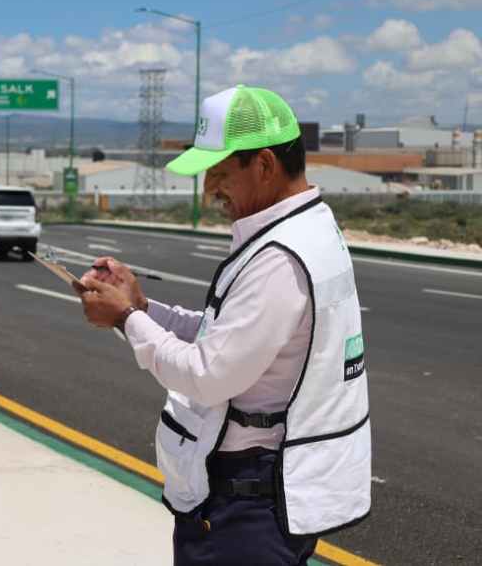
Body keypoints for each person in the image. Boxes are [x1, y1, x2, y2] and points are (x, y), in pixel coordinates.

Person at [78, 85, 370, 565]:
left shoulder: (279, 256)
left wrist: (126, 319)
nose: (210, 189)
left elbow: (208, 375)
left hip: (246, 510)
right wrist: (143, 307)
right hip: (260, 496)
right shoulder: (306, 227)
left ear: (265, 165)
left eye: (218, 173)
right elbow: (228, 335)